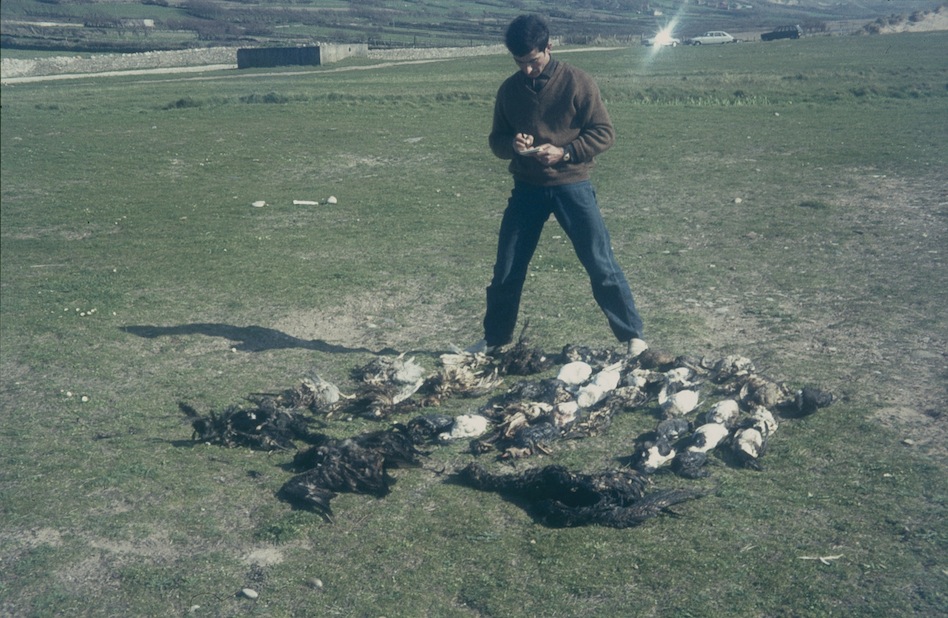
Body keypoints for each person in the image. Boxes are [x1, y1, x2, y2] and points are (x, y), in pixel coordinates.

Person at [467, 14, 645, 355]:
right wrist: (514, 147)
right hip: (527, 190)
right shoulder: (508, 90)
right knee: (506, 269)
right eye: (520, 63)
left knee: (600, 263)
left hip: (572, 186)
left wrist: (565, 152)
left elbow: (604, 133)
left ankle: (633, 337)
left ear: (549, 47)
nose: (527, 70)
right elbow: (496, 141)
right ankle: (494, 341)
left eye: (532, 62)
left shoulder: (578, 81)